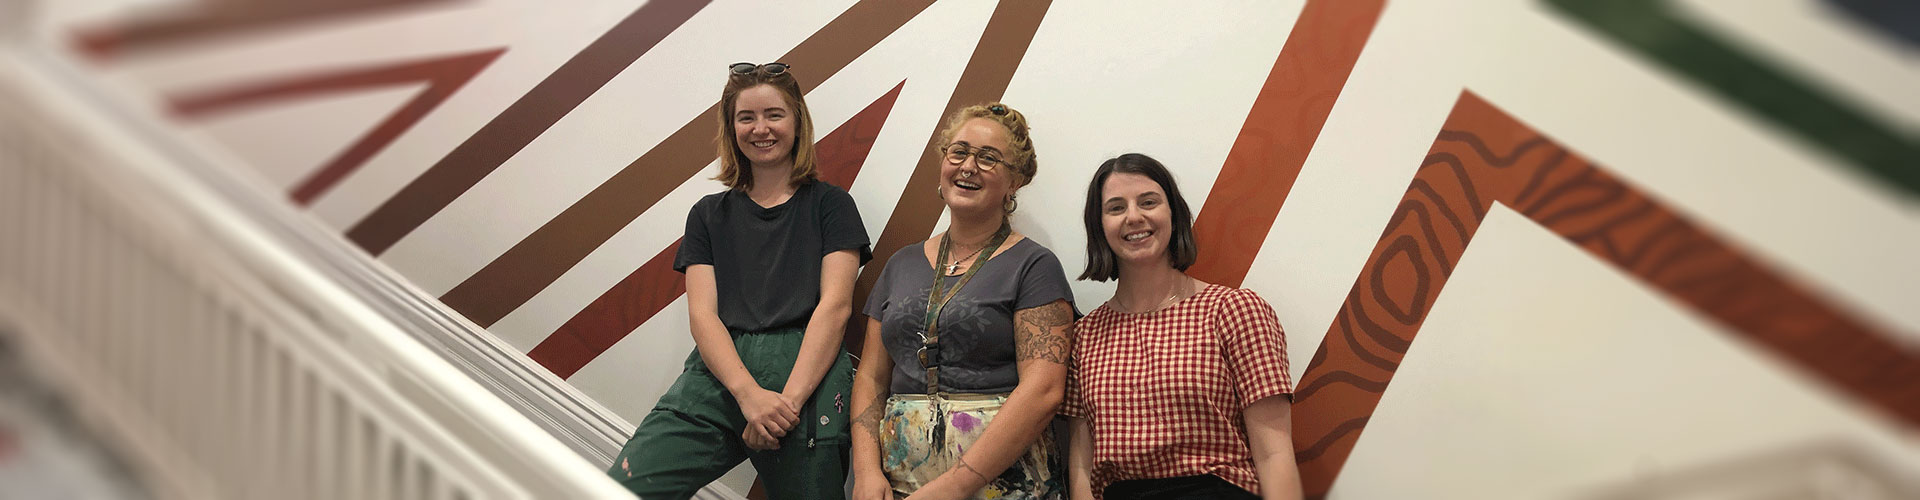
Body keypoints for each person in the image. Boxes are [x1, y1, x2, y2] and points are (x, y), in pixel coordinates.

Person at [606, 62, 872, 500]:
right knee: (626, 487)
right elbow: (702, 315)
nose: (760, 128)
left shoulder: (832, 205)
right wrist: (748, 395)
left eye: (774, 114)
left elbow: (835, 308)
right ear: (731, 128)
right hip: (720, 370)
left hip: (806, 368)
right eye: (746, 117)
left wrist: (785, 405)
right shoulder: (708, 214)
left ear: (797, 122)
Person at [848, 103, 1076, 500]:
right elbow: (870, 377)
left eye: (988, 158)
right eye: (959, 152)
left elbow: (1044, 392)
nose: (968, 166)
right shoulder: (900, 264)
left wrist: (953, 487)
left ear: (1014, 181)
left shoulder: (1035, 266)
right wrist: (866, 472)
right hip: (900, 485)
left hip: (1005, 487)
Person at [1062, 153, 1302, 500]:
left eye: (1148, 202)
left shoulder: (1234, 311)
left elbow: (1274, 453)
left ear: (1173, 213)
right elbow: (1082, 466)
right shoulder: (1085, 335)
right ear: (1099, 226)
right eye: (1116, 208)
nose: (1134, 216)